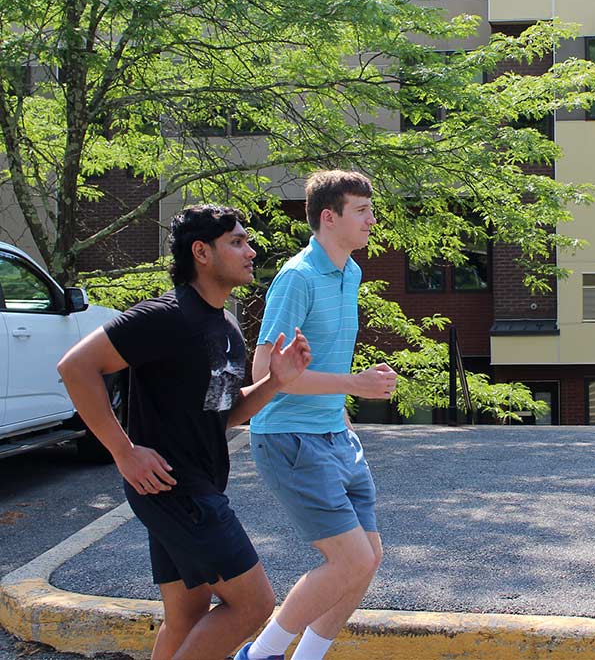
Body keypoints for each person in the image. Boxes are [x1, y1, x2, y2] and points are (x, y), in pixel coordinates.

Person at [58, 205, 312, 660]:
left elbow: (223, 414)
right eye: (237, 242)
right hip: (177, 491)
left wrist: (277, 381)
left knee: (187, 615)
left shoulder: (226, 326)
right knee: (254, 604)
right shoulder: (166, 315)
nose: (251, 251)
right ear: (202, 252)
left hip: (193, 486)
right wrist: (124, 450)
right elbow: (76, 367)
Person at [237, 170, 397, 660]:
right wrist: (355, 385)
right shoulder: (297, 278)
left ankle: (307, 656)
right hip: (290, 437)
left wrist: (341, 410)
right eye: (362, 211)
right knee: (348, 560)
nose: (373, 220)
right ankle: (259, 655)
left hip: (333, 435)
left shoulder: (351, 272)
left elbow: (319, 359)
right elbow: (266, 370)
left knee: (368, 559)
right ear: (329, 217)